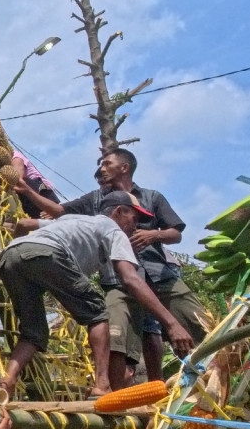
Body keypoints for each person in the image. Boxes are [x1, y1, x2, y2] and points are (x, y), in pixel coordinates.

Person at [17, 148, 206, 382]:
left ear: (124, 168)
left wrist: (152, 235)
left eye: (106, 163)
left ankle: (215, 383)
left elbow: (175, 233)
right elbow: (59, 211)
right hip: (119, 279)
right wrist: (27, 190)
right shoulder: (95, 199)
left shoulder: (151, 197)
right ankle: (115, 396)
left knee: (203, 326)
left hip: (159, 274)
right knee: (115, 334)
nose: (101, 169)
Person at [0, 191, 195, 395]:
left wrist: (20, 252)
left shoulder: (73, 219)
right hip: (48, 253)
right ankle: (102, 385)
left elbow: (23, 224)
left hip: (10, 257)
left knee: (34, 332)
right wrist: (171, 324)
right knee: (99, 314)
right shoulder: (115, 231)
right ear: (119, 211)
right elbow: (130, 279)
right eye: (134, 219)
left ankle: (8, 380)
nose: (135, 227)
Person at [11, 150, 59, 218]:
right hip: (29, 194)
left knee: (46, 216)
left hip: (38, 189)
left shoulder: (15, 155)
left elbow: (17, 179)